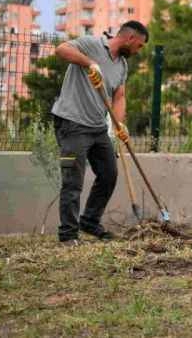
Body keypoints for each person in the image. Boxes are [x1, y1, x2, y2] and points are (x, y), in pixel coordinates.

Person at [51, 21, 149, 245]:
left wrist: (118, 125)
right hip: (72, 124)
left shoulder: (122, 65)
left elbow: (120, 96)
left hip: (97, 127)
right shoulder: (90, 44)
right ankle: (68, 235)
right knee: (73, 181)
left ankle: (89, 221)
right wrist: (90, 64)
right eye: (140, 46)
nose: (138, 51)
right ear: (130, 39)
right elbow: (61, 49)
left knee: (108, 174)